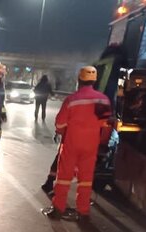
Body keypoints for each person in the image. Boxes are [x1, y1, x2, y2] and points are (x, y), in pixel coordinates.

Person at [42, 66, 112, 221]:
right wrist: (100, 141)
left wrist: (62, 132)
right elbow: (105, 124)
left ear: (79, 80)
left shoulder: (72, 99)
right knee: (86, 179)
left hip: (71, 143)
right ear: (94, 81)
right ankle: (83, 211)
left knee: (64, 177)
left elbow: (60, 124)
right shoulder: (102, 99)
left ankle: (58, 209)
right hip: (91, 145)